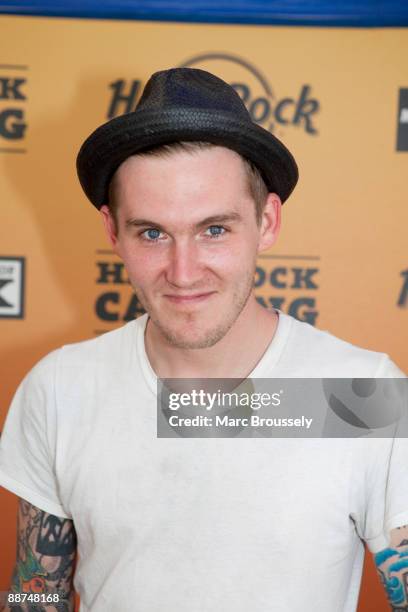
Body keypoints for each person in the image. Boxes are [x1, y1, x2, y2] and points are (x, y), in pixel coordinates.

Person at [0, 67, 407, 612]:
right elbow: (33, 599)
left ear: (266, 222)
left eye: (214, 229)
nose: (183, 271)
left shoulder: (362, 394)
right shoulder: (59, 389)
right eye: (152, 233)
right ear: (112, 232)